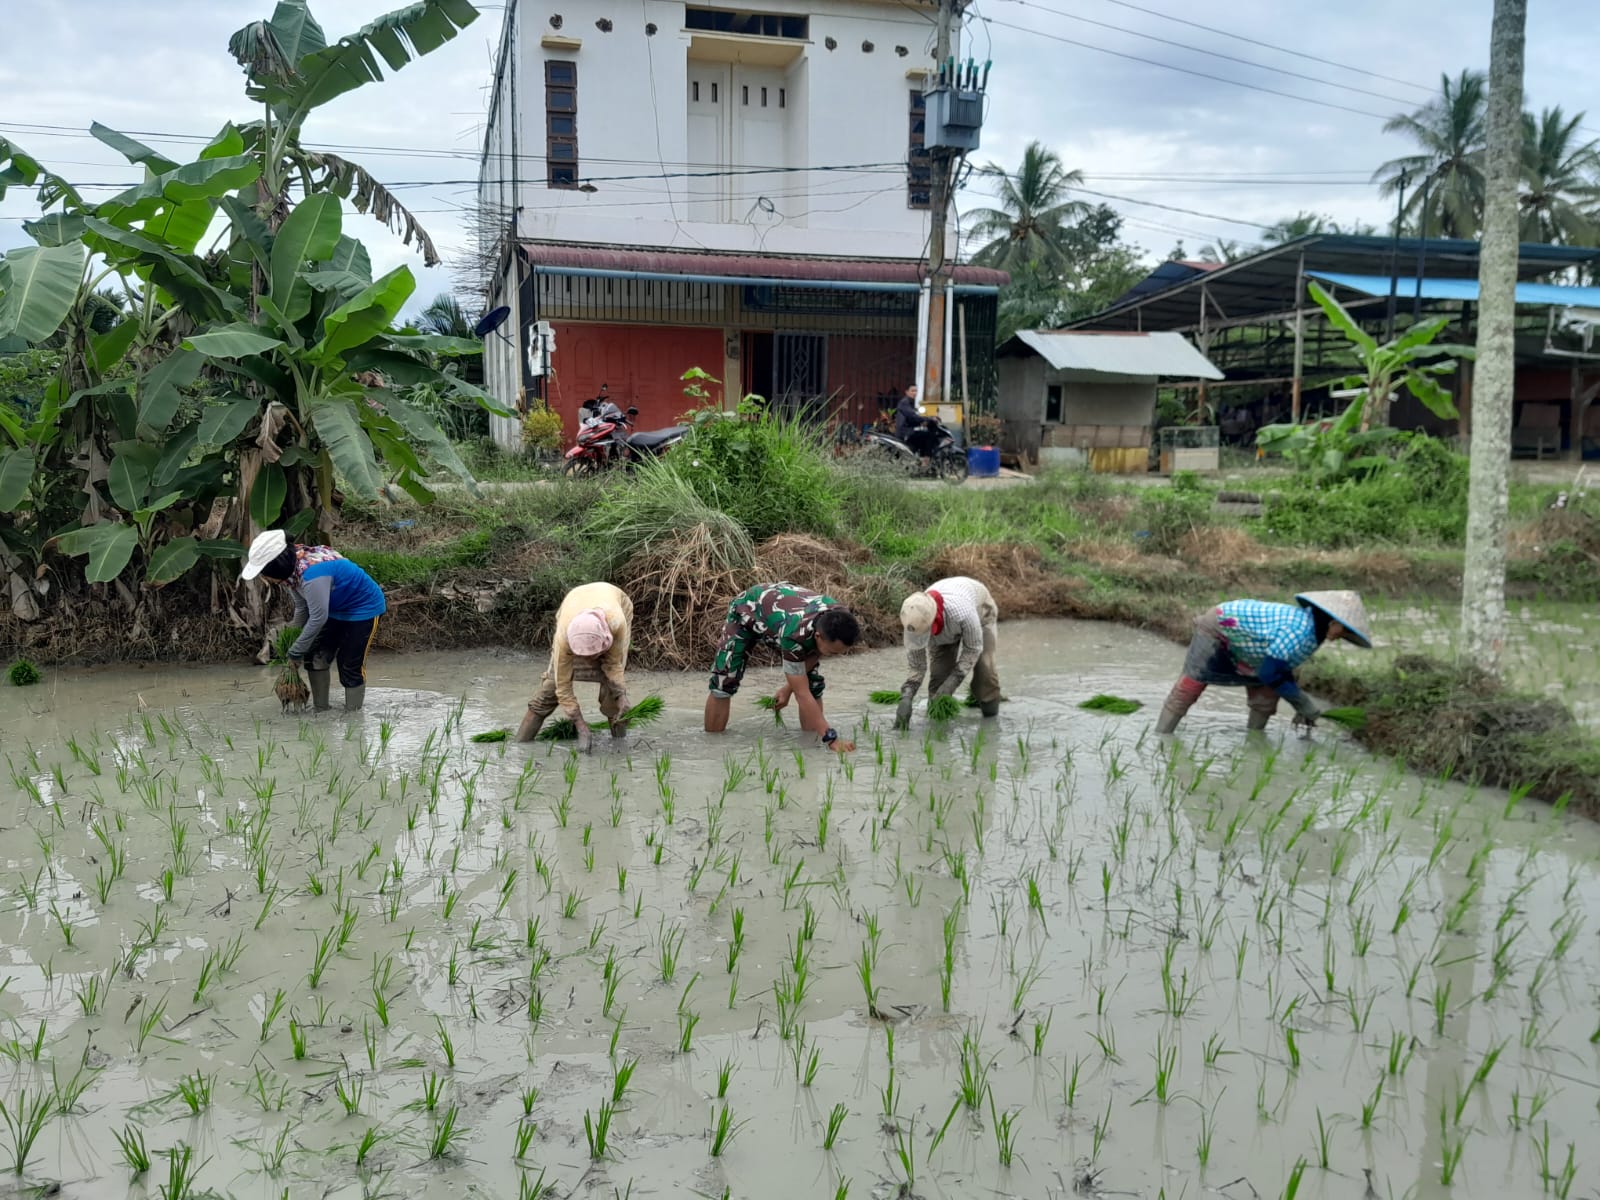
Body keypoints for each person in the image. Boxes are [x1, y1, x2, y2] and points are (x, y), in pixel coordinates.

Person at [1155, 591, 1371, 734]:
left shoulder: (1316, 632)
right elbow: (1270, 672)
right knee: (1193, 683)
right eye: (1343, 630)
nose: (1342, 635)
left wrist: (1300, 703)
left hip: (1254, 647)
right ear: (1332, 623)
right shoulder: (1300, 630)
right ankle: (1162, 735)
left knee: (1267, 695)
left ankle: (1255, 739)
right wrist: (1302, 702)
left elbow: (1279, 668)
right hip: (1221, 628)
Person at [242, 530, 387, 712]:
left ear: (277, 564)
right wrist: (292, 638)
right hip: (332, 609)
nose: (266, 579)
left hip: (362, 609)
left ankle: (353, 717)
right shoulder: (291, 571)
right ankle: (321, 709)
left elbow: (318, 617)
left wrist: (296, 651)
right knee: (316, 657)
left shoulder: (312, 574)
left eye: (266, 573)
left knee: (349, 665)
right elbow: (302, 608)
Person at [705, 582, 860, 752]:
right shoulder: (794, 636)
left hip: (786, 615)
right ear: (818, 636)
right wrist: (832, 740)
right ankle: (712, 748)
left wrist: (787, 689)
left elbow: (815, 655)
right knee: (725, 679)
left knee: (812, 682)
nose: (835, 656)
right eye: (832, 652)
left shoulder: (842, 618)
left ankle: (809, 748)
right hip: (748, 609)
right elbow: (802, 694)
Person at [516, 582, 633, 752]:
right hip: (572, 605)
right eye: (583, 656)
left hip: (614, 604)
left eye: (593, 655)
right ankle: (519, 747)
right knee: (551, 687)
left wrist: (621, 695)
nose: (588, 660)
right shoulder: (564, 636)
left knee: (612, 692)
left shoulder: (616, 622)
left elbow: (613, 665)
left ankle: (619, 746)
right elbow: (563, 687)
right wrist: (580, 726)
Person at [896, 576, 1001, 729]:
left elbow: (973, 650)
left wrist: (952, 684)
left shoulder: (962, 613)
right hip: (945, 629)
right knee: (938, 680)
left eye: (926, 633)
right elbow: (917, 667)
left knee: (985, 671)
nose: (923, 637)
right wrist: (906, 696)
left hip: (981, 614)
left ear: (934, 620)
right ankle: (939, 733)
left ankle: (990, 723)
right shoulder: (913, 622)